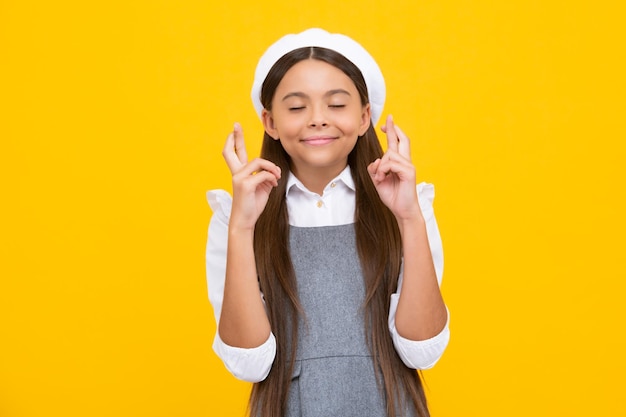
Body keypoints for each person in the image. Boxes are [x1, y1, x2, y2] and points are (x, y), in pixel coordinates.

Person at [206, 28, 450, 417]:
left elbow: (422, 347)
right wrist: (241, 227)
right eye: (297, 107)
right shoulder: (234, 216)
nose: (318, 120)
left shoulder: (410, 205)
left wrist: (408, 217)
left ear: (364, 117)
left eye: (337, 104)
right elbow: (249, 361)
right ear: (269, 121)